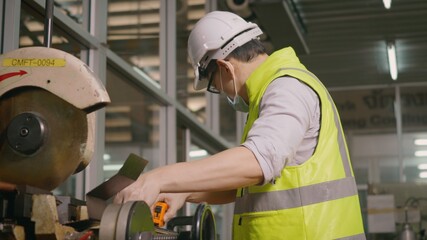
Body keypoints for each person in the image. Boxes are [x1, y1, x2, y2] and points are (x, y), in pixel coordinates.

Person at [115, 11, 365, 239]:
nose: (221, 91)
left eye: (214, 84)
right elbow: (246, 186)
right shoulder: (267, 97)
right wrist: (184, 192)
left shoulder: (287, 88)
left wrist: (159, 178)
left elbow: (258, 162)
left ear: (225, 68)